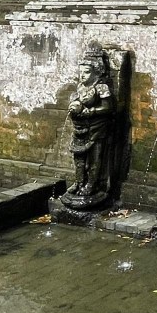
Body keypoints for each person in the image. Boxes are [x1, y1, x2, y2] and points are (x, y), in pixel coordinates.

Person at [65, 42, 115, 205]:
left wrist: (92, 111)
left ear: (96, 72)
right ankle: (79, 181)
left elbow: (108, 107)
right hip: (80, 127)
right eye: (81, 72)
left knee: (95, 158)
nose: (83, 76)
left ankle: (92, 184)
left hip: (96, 128)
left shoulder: (101, 87)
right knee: (78, 157)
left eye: (86, 72)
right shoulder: (81, 86)